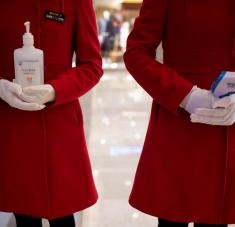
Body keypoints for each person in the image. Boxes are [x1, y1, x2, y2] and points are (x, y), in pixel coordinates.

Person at [124, 0, 235, 226]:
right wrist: (186, 95)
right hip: (181, 129)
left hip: (231, 130)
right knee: (174, 219)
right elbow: (136, 52)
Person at [0, 0, 102, 226]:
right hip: (12, 125)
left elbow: (92, 65)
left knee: (64, 214)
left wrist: (56, 89)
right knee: (23, 212)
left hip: (59, 126)